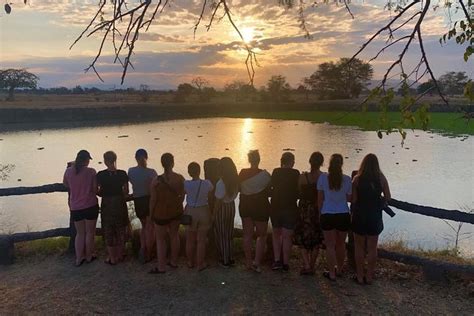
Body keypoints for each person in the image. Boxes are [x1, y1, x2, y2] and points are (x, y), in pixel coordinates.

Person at [351, 154, 391, 284]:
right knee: (372, 248)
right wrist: (379, 201)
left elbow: (354, 199)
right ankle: (369, 276)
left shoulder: (357, 179)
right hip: (374, 215)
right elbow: (388, 197)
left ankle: (360, 276)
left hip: (359, 215)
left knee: (359, 247)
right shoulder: (381, 178)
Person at [317, 154, 352, 281]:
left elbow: (320, 199)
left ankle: (331, 273)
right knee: (341, 244)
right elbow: (349, 198)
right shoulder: (347, 179)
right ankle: (340, 269)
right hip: (343, 214)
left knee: (330, 245)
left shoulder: (323, 178)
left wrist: (320, 213)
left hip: (328, 214)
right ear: (341, 164)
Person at [149, 153, 185, 274]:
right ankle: (174, 262)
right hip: (175, 211)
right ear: (173, 163)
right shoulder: (179, 178)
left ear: (162, 164)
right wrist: (179, 203)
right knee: (174, 236)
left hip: (160, 213)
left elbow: (153, 199)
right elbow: (183, 194)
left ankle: (161, 266)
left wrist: (151, 213)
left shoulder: (156, 181)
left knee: (160, 240)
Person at [63, 150, 99, 267]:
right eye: (88, 159)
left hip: (75, 207)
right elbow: (95, 189)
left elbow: (65, 184)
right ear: (86, 160)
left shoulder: (68, 171)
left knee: (80, 233)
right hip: (90, 205)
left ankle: (79, 258)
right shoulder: (91, 172)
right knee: (90, 233)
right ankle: (89, 256)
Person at [238, 150, 271, 273]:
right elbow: (269, 190)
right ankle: (257, 262)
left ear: (249, 160)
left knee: (247, 234)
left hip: (245, 204)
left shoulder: (242, 173)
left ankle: (248, 262)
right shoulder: (265, 175)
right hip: (260, 206)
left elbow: (238, 188)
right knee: (261, 235)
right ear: (259, 160)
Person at [294, 152, 324, 275]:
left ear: (310, 162)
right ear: (321, 163)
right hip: (317, 209)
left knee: (302, 237)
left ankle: (306, 265)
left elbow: (299, 191)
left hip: (304, 210)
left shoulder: (302, 177)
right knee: (316, 238)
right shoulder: (323, 177)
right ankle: (312, 265)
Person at [97, 151, 129, 265]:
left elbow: (97, 191)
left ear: (105, 161)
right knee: (121, 228)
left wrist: (103, 193)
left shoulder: (100, 175)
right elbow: (126, 191)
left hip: (107, 204)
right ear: (115, 159)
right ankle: (120, 255)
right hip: (119, 203)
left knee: (108, 230)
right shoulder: (122, 174)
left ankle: (112, 257)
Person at [270, 152, 300, 271]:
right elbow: (298, 188)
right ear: (291, 162)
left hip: (276, 206)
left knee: (276, 234)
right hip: (290, 207)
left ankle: (277, 260)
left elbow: (272, 186)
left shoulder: (276, 172)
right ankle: (286, 263)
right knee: (287, 236)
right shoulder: (296, 173)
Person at [128, 149, 158, 263]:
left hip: (138, 200)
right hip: (149, 200)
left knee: (144, 226)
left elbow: (132, 183)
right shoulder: (152, 172)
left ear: (136, 158)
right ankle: (149, 253)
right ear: (147, 157)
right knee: (151, 227)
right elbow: (156, 187)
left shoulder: (131, 171)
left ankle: (143, 248)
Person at [184, 162, 214, 271]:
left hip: (191, 211)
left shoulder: (186, 184)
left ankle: (190, 261)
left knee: (190, 240)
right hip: (203, 210)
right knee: (201, 240)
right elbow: (211, 192)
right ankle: (200, 264)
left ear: (189, 172)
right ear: (200, 171)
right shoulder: (207, 183)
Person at [214, 157, 239, 268]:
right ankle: (230, 257)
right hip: (231, 206)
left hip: (223, 208)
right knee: (229, 234)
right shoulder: (235, 180)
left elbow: (218, 200)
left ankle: (225, 260)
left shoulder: (221, 182)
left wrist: (213, 214)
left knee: (221, 234)